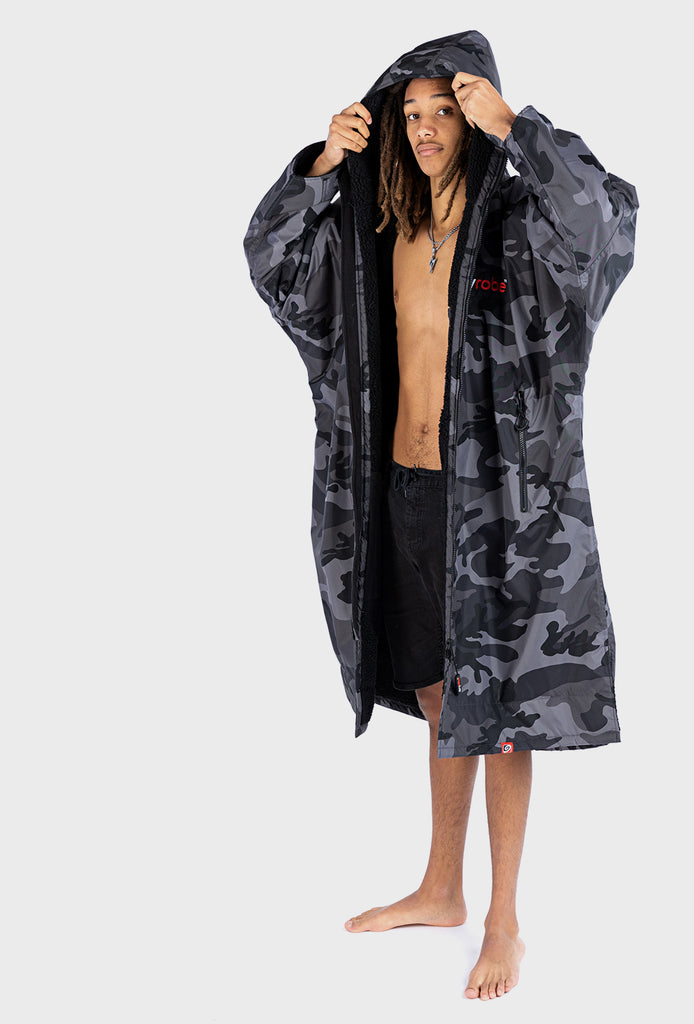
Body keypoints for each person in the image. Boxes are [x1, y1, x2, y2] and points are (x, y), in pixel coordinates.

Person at [243, 30, 638, 1001]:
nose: (424, 130)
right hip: (399, 494)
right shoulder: (375, 228)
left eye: (442, 113)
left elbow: (605, 222)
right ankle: (440, 886)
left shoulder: (516, 223)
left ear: (471, 116)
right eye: (410, 115)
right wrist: (319, 167)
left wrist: (520, 128)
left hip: (492, 507)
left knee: (497, 713)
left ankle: (503, 916)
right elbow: (271, 260)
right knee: (436, 694)